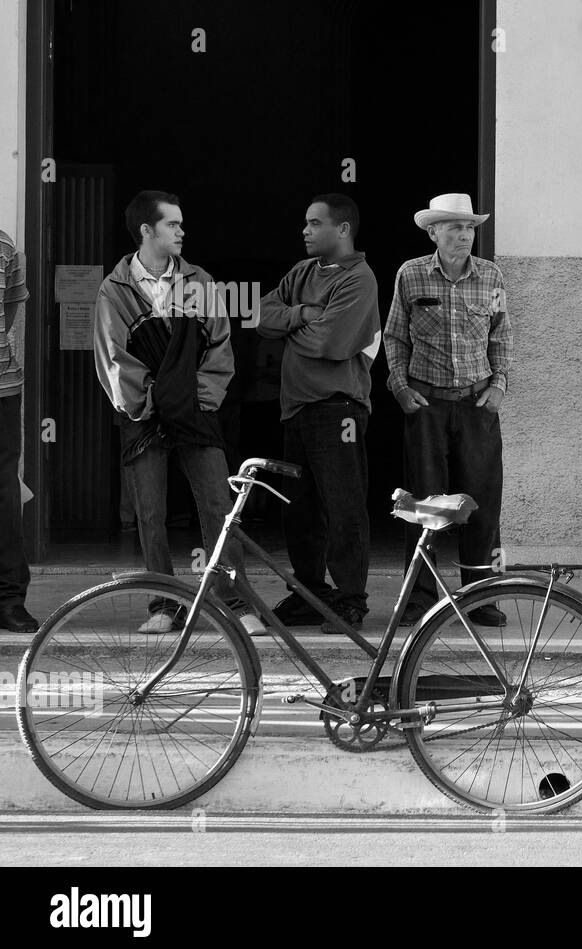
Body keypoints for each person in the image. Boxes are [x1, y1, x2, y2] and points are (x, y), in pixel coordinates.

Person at [92, 190, 259, 634]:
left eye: (181, 224)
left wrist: (197, 398)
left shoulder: (200, 282)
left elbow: (220, 347)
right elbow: (113, 357)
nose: (182, 231)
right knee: (150, 510)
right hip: (143, 414)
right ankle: (164, 605)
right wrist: (152, 401)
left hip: (196, 410)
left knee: (218, 503)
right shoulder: (115, 289)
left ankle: (234, 600)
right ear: (147, 231)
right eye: (172, 224)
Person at [385, 194, 511, 626]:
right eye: (454, 227)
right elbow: (395, 337)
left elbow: (501, 337)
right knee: (423, 502)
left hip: (477, 405)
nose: (464, 235)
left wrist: (498, 386)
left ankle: (481, 596)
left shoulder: (491, 276)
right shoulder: (411, 274)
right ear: (433, 232)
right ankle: (419, 598)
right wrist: (400, 388)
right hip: (427, 404)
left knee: (482, 501)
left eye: (469, 227)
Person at [258, 194, 380, 632]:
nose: (305, 231)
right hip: (297, 409)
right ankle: (309, 593)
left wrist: (292, 332)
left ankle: (351, 598)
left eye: (315, 223)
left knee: (343, 504)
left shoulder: (359, 279)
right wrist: (302, 315)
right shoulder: (302, 273)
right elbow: (263, 317)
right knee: (300, 509)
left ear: (343, 229)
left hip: (338, 409)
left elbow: (332, 343)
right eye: (305, 222)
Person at [0, 227, 38, 633]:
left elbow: (9, 312)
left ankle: (10, 599)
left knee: (6, 497)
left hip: (2, 388)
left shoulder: (6, 245)